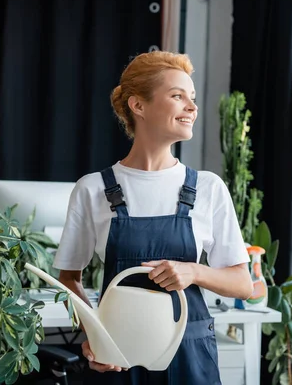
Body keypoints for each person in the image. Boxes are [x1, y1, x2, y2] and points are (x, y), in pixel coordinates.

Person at [52, 50, 253, 385]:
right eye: (178, 96)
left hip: (190, 359)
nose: (192, 107)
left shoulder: (208, 188)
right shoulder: (93, 189)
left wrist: (193, 271)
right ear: (138, 106)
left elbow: (243, 284)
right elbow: (68, 278)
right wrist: (96, 338)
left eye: (192, 98)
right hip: (119, 359)